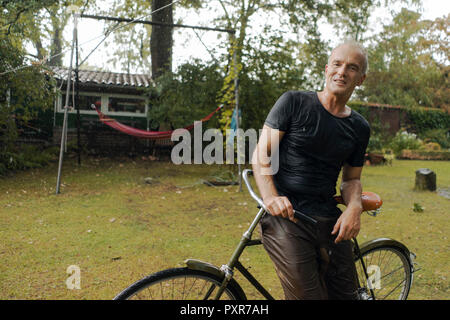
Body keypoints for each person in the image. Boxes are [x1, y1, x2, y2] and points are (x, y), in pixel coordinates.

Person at [251, 41, 371, 300]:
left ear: (360, 79)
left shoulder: (360, 127)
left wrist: (353, 208)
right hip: (286, 217)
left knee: (349, 296)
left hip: (328, 220)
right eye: (337, 64)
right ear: (327, 69)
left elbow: (351, 180)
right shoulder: (293, 102)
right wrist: (271, 196)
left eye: (351, 68)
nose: (342, 72)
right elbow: (262, 153)